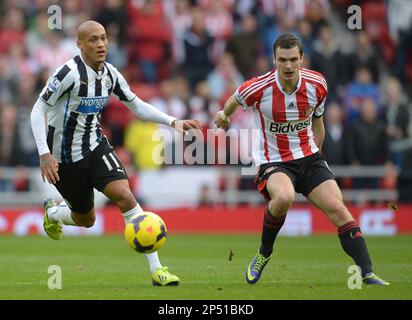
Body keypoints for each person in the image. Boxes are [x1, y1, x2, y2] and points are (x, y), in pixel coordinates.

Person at [30, 21, 201, 286]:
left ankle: (158, 270)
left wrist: (172, 122)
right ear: (80, 44)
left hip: (96, 147)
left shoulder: (110, 74)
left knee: (124, 195)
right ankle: (53, 214)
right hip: (63, 159)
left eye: (103, 38)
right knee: (85, 219)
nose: (100, 44)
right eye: (93, 40)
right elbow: (38, 109)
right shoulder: (67, 73)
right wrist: (44, 153)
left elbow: (136, 104)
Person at [214, 33, 389, 286]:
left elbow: (318, 123)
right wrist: (223, 115)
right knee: (283, 197)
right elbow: (234, 100)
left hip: (309, 157)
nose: (288, 66)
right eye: (282, 59)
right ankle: (264, 253)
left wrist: (317, 157)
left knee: (338, 208)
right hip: (273, 160)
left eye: (293, 59)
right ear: (274, 59)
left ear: (301, 59)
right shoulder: (258, 87)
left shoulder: (317, 84)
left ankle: (368, 273)